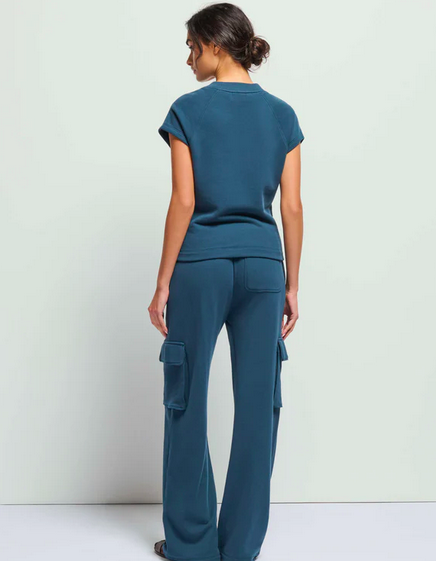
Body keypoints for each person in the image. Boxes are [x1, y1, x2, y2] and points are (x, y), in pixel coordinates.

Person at [148, 4, 304, 561]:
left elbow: (184, 201)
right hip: (264, 269)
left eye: (193, 47)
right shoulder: (282, 115)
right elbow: (291, 207)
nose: (189, 59)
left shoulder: (187, 110)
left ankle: (192, 545)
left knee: (186, 399)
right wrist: (291, 285)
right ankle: (239, 547)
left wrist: (162, 283)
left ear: (216, 45)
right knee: (259, 406)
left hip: (201, 268)